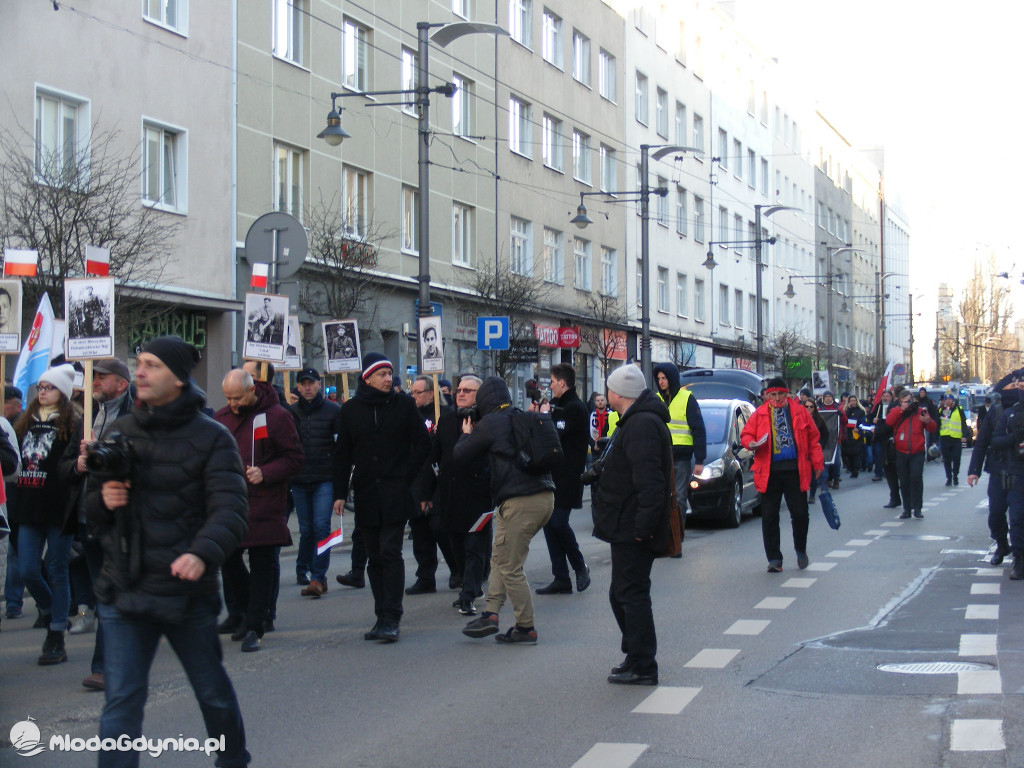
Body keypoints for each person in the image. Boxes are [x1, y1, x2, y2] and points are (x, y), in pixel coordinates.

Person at [88, 336, 251, 767]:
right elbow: (89, 514)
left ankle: (233, 760)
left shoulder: (213, 438)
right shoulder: (119, 431)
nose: (139, 372)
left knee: (212, 694)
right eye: (139, 363)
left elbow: (231, 510)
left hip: (186, 595)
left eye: (152, 365)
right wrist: (104, 499)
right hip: (124, 589)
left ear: (178, 379)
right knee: (121, 703)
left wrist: (201, 553)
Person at [332, 353, 430, 643]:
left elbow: (422, 444)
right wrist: (339, 493)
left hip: (396, 493)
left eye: (390, 373)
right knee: (374, 556)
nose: (389, 378)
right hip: (366, 493)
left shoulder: (404, 405)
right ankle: (380, 616)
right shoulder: (350, 410)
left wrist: (405, 475)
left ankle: (392, 617)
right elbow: (342, 456)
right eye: (382, 374)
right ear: (367, 378)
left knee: (390, 552)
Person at [590, 364, 672, 686]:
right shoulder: (635, 422)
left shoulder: (641, 425)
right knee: (621, 593)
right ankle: (635, 656)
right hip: (628, 523)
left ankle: (643, 665)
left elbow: (650, 484)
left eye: (608, 387)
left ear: (618, 393)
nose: (605, 393)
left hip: (634, 526)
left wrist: (642, 529)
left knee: (631, 594)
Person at [457, 376, 555, 645]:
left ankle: (526, 628)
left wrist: (466, 434)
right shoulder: (519, 415)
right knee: (500, 557)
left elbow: (461, 456)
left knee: (510, 566)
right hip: (544, 496)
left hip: (521, 501)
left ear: (484, 399)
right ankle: (490, 613)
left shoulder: (490, 423)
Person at [214, 369, 302, 652]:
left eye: (238, 398)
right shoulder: (220, 419)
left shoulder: (277, 416)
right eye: (228, 398)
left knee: (263, 562)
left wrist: (266, 472)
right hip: (229, 502)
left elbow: (295, 457)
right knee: (228, 559)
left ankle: (255, 625)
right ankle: (245, 610)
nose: (233, 404)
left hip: (265, 500)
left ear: (252, 391)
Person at [63, 357, 134, 690]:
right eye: (94, 376)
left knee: (109, 593)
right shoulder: (87, 415)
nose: (95, 382)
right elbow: (65, 465)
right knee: (104, 592)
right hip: (85, 517)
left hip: (116, 518)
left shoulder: (135, 417)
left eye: (101, 377)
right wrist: (78, 464)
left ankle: (104, 666)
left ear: (121, 383)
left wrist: (104, 455)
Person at [15, 363, 81, 664]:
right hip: (29, 504)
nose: (43, 392)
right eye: (40, 387)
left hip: (59, 506)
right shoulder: (24, 421)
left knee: (57, 568)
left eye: (49, 387)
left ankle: (56, 634)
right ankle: (48, 608)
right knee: (28, 567)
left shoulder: (74, 423)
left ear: (63, 393)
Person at [414, 374, 492, 615]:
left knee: (474, 546)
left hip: (479, 494)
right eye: (459, 389)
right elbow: (433, 457)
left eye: (467, 390)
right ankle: (469, 580)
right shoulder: (446, 420)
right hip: (450, 493)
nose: (460, 393)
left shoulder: (488, 422)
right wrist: (425, 492)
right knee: (455, 543)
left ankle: (468, 595)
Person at [741, 377, 824, 572]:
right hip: (769, 472)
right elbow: (746, 434)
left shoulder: (800, 412)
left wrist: (818, 463)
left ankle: (801, 550)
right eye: (773, 395)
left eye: (780, 394)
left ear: (787, 394)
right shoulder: (759, 414)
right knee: (769, 516)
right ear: (767, 396)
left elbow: (813, 439)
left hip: (795, 470)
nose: (777, 398)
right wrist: (750, 443)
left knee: (801, 514)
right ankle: (774, 559)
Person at [536, 363, 591, 595]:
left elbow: (556, 432)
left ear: (562, 382)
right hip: (554, 475)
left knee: (558, 522)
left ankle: (580, 566)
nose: (550, 385)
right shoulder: (558, 406)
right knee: (549, 524)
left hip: (568, 476)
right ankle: (561, 577)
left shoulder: (575, 407)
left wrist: (544, 417)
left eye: (552, 381)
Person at [289, 367, 342, 596]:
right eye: (303, 384)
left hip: (324, 477)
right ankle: (308, 570)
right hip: (299, 478)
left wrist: (341, 482)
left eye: (311, 383)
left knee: (321, 527)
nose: (308, 387)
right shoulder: (291, 413)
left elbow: (341, 448)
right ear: (298, 387)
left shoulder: (333, 411)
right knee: (306, 530)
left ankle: (318, 577)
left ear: (319, 384)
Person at [406, 375, 459, 594]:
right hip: (417, 477)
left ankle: (457, 568)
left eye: (418, 392)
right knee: (419, 530)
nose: (415, 396)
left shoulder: (446, 415)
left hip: (441, 479)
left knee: (439, 526)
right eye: (413, 392)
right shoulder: (410, 416)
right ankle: (425, 576)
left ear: (431, 393)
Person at [968, 374, 1016, 566]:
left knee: (1018, 514)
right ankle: (1002, 544)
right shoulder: (995, 412)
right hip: (998, 468)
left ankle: (1019, 554)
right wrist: (974, 470)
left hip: (1019, 468)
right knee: (996, 512)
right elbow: (982, 442)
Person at [652, 362, 706, 516]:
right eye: (659, 378)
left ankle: (678, 535)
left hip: (681, 457)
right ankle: (666, 534)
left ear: (672, 378)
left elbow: (698, 429)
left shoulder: (687, 398)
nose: (661, 381)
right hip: (661, 456)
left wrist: (700, 460)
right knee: (661, 497)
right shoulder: (655, 399)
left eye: (664, 378)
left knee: (679, 498)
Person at [886, 389, 937, 519]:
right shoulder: (896, 411)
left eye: (910, 401)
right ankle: (907, 509)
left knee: (916, 478)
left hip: (917, 451)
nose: (909, 404)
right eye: (905, 402)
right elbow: (889, 422)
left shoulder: (920, 411)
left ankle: (917, 508)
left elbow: (933, 428)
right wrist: (901, 410)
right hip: (901, 451)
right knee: (904, 481)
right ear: (901, 402)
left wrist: (928, 421)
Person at [3, 384, 24, 620]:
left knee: (16, 552)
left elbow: (12, 465)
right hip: (10, 493)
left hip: (17, 492)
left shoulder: (20, 425)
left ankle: (13, 601)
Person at [869, 389, 902, 510]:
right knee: (890, 472)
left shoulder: (900, 410)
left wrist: (878, 430)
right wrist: (875, 425)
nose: (885, 398)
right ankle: (895, 498)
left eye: (887, 396)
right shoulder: (879, 407)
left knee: (898, 473)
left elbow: (889, 426)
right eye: (884, 396)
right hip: (885, 444)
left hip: (897, 445)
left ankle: (904, 500)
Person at [802, 398, 828, 505]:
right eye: (806, 406)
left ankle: (812, 495)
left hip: (814, 450)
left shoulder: (819, 420)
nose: (808, 409)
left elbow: (825, 434)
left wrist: (820, 445)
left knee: (813, 474)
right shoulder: (799, 418)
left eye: (811, 407)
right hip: (803, 450)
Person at [938, 392, 965, 486]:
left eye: (950, 399)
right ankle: (949, 477)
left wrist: (965, 435)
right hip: (945, 437)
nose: (948, 401)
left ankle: (955, 476)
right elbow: (938, 423)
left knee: (957, 458)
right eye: (946, 399)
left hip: (956, 437)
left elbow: (963, 423)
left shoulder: (959, 409)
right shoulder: (941, 410)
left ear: (953, 400)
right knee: (947, 459)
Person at [817, 391, 841, 489]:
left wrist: (841, 415)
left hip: (835, 440)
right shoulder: (819, 409)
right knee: (825, 461)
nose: (828, 398)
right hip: (825, 439)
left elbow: (844, 421)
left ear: (832, 397)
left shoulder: (837, 408)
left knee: (836, 462)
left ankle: (836, 479)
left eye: (829, 397)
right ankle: (826, 480)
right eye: (826, 397)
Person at [840, 394, 866, 478]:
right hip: (847, 434)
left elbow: (863, 422)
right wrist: (849, 409)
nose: (853, 402)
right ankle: (850, 468)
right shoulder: (846, 410)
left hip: (856, 434)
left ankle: (856, 469)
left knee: (856, 453)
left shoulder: (861, 411)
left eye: (854, 401)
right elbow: (843, 420)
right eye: (851, 401)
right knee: (848, 454)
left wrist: (859, 429)